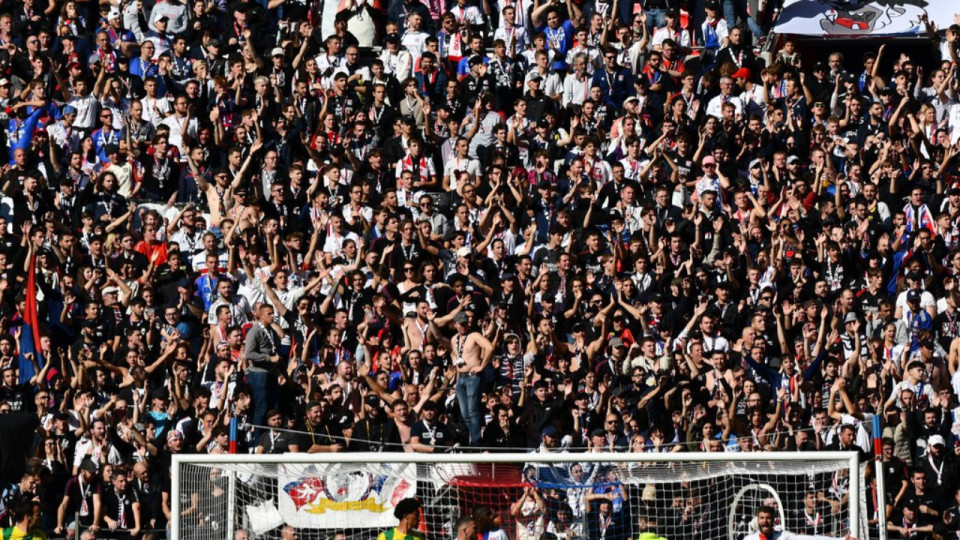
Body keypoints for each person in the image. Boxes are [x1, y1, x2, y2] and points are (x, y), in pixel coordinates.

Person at [745, 505, 859, 540]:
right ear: (757, 519)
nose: (765, 521)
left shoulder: (783, 536)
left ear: (773, 520)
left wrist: (841, 539)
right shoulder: (749, 539)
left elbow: (811, 539)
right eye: (762, 518)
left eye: (768, 518)